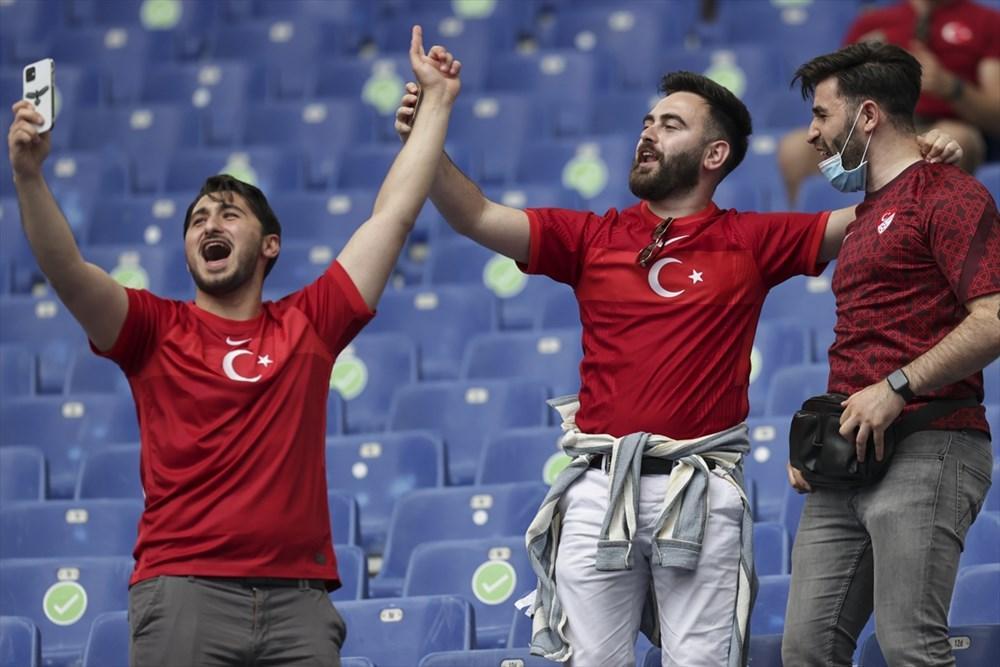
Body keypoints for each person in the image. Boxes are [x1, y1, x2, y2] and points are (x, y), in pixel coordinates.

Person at [394, 69, 960, 664]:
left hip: (700, 488)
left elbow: (879, 214)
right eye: (647, 122)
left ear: (714, 154)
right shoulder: (591, 236)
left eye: (670, 125)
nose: (648, 134)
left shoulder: (751, 239)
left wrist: (920, 160)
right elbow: (476, 216)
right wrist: (428, 133)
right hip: (597, 489)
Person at [6, 26, 461, 666]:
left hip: (298, 604)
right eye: (198, 219)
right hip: (183, 591)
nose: (209, 224)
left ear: (269, 245)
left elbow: (392, 217)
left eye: (228, 214)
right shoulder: (151, 330)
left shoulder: (309, 323)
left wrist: (437, 102)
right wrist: (29, 177)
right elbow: (67, 270)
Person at [782, 42, 1000, 666]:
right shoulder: (863, 214)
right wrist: (822, 438)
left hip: (930, 443)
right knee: (805, 650)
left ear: (868, 115)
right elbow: (865, 341)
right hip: (846, 460)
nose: (812, 134)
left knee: (909, 647)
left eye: (822, 115)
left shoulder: (950, 194)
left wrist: (896, 387)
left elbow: (994, 318)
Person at [777, 0, 1000, 205]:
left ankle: (927, 227)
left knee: (955, 138)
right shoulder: (872, 22)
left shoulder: (986, 21)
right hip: (872, 126)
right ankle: (811, 231)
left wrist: (951, 86)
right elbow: (836, 92)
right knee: (795, 149)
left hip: (940, 124)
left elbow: (996, 115)